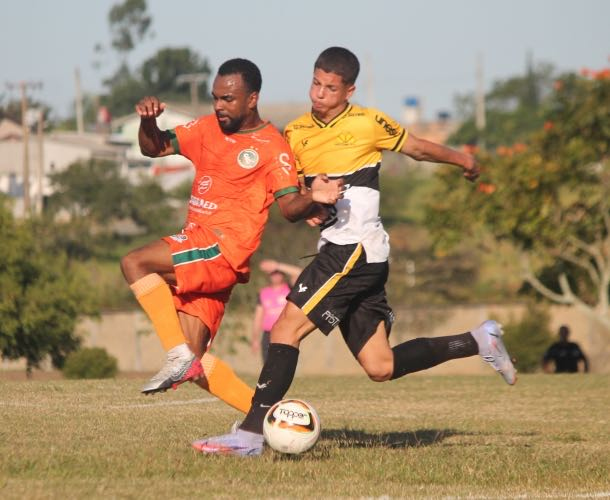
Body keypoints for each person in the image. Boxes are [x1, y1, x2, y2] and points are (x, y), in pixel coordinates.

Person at [193, 47, 516, 456]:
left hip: (354, 250)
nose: (320, 94)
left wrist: (463, 159)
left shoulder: (368, 122)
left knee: (285, 329)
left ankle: (251, 434)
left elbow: (416, 147)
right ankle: (478, 341)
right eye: (315, 83)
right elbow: (296, 195)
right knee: (380, 366)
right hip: (352, 253)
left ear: (349, 90)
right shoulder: (294, 134)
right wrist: (313, 203)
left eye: (330, 87)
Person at [120, 58, 343, 412]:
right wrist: (148, 122)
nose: (219, 106)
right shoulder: (207, 128)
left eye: (228, 99)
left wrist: (312, 197)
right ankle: (267, 419)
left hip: (221, 249)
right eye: (215, 98)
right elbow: (154, 147)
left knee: (135, 263)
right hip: (202, 251)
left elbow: (288, 208)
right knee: (194, 364)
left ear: (252, 99)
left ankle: (174, 354)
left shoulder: (272, 146)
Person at [251, 259, 302, 362]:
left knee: (283, 364)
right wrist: (255, 339)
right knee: (267, 364)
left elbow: (300, 273)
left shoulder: (290, 288)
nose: (275, 276)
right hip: (268, 334)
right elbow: (258, 317)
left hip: (286, 332)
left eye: (278, 273)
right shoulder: (263, 293)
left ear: (283, 275)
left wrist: (278, 265)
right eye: (273, 274)